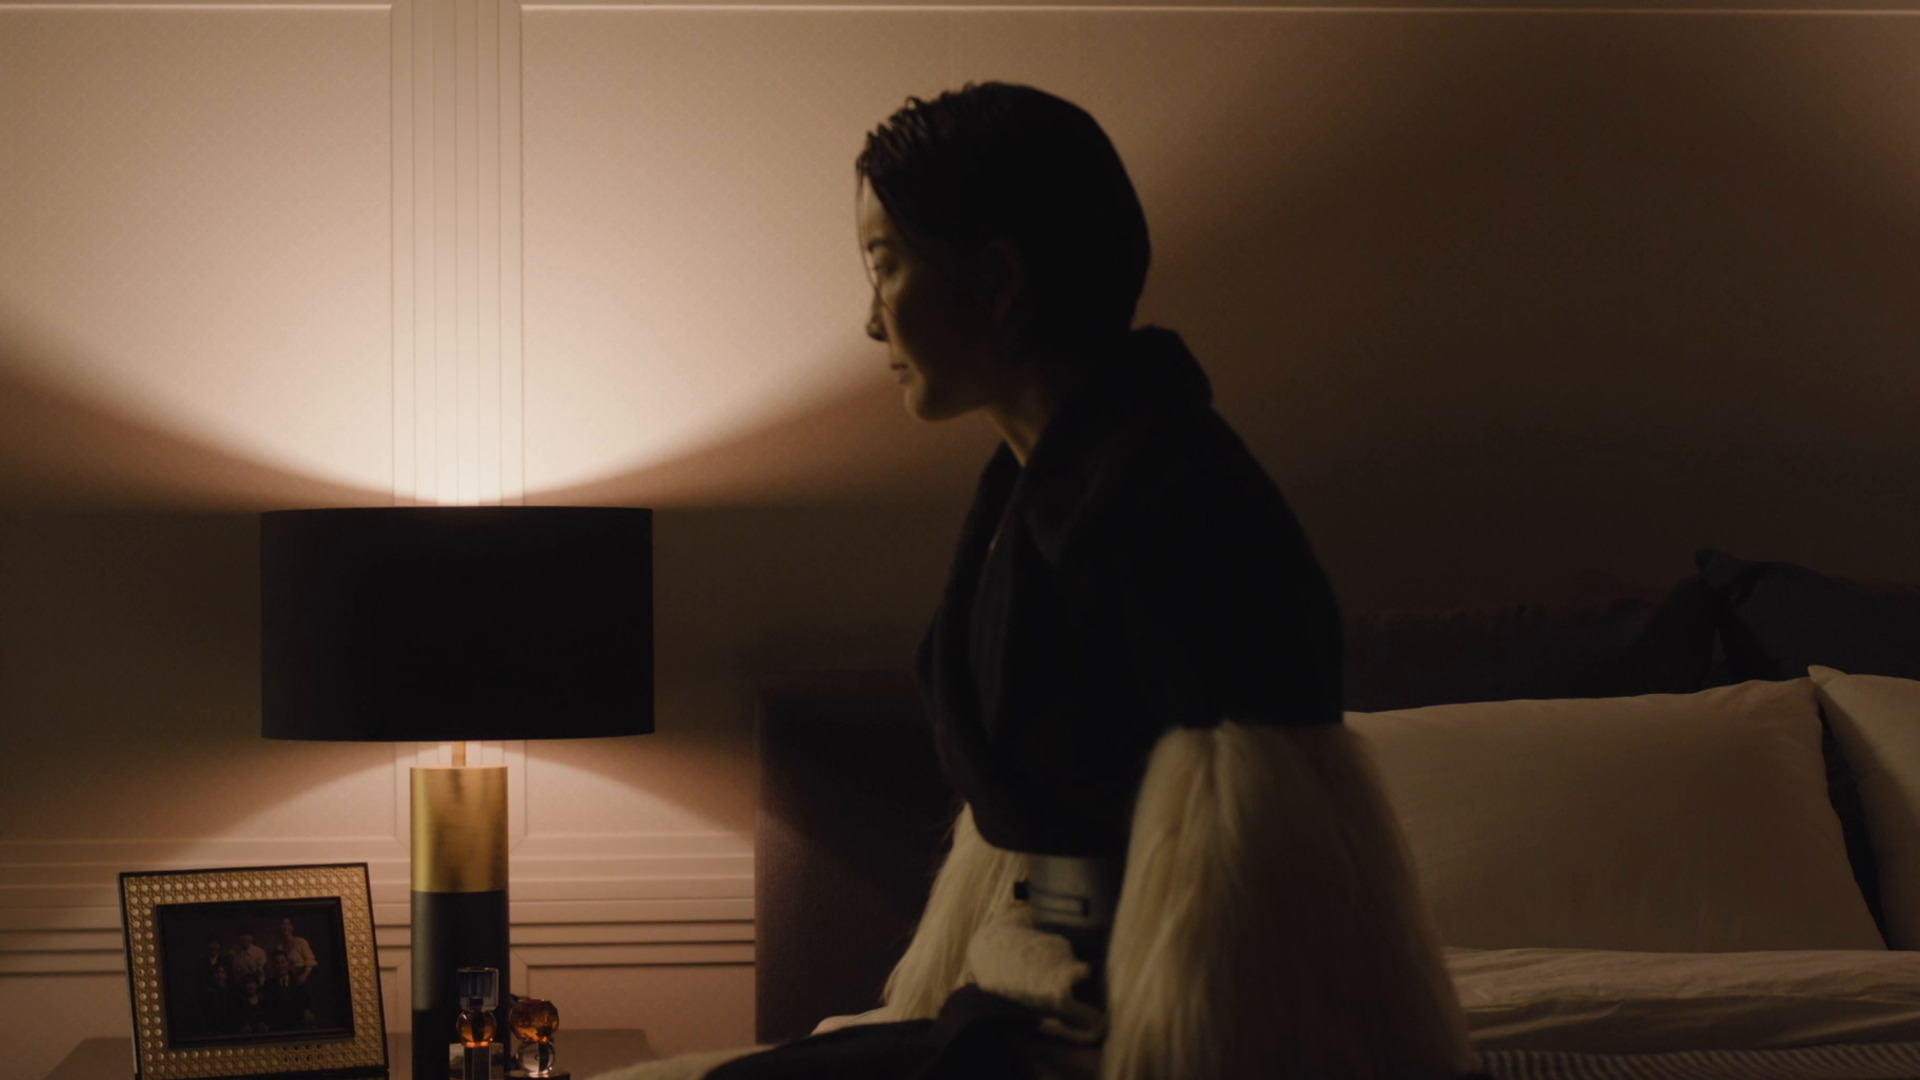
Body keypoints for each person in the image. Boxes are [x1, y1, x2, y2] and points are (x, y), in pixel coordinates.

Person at [602, 80, 1472, 1080]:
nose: (873, 324)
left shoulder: (1181, 502)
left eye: (885, 267)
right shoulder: (1036, 490)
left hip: (1131, 1039)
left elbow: (1249, 925)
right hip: (1034, 1005)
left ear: (998, 278)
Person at [274, 917, 317, 985]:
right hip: (289, 978)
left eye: (288, 924)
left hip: (304, 975)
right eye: (283, 924)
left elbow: (310, 961)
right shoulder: (280, 945)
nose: (285, 927)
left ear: (292, 928)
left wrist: (304, 977)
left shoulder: (301, 942)